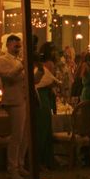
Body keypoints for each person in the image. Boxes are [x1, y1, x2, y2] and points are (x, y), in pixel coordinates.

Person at [0, 34, 42, 179]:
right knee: (17, 135)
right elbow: (8, 77)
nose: (18, 48)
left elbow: (32, 81)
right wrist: (23, 64)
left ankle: (20, 164)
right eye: (16, 45)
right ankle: (12, 168)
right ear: (8, 45)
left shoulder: (20, 61)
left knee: (26, 135)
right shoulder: (1, 60)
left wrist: (40, 69)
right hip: (14, 100)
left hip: (26, 99)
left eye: (20, 45)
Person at [35, 42, 60, 170]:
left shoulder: (39, 64)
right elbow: (49, 82)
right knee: (43, 129)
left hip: (41, 94)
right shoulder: (50, 64)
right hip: (43, 95)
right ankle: (42, 160)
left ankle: (43, 159)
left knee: (42, 127)